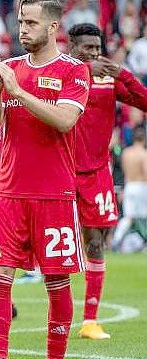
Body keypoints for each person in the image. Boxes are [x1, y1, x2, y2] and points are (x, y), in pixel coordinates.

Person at [0, 0, 90, 359]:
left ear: (54, 26)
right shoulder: (12, 69)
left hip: (53, 193)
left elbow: (65, 121)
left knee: (56, 280)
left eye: (31, 22)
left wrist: (17, 91)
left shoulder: (74, 70)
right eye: (20, 21)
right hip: (7, 191)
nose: (23, 28)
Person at [68, 23, 147, 339]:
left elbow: (143, 102)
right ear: (72, 47)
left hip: (97, 173)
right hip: (60, 172)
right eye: (87, 48)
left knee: (96, 243)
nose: (94, 53)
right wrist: (85, 68)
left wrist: (123, 74)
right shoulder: (61, 74)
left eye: (97, 48)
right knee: (48, 244)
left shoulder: (108, 79)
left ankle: (89, 320)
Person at [112, 127, 147, 249]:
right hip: (141, 186)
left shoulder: (126, 153)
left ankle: (116, 239)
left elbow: (124, 172)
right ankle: (143, 242)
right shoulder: (143, 154)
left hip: (129, 186)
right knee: (143, 217)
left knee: (128, 216)